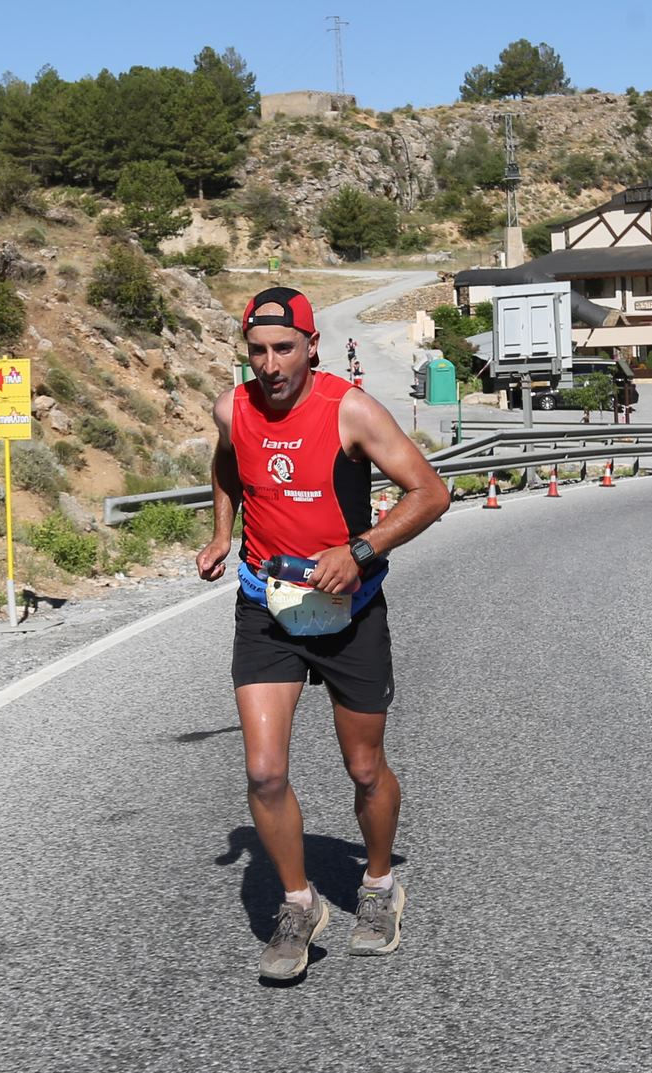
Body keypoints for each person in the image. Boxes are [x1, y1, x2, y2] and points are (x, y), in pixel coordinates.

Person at [197, 286, 450, 980]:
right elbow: (227, 462)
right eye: (257, 351)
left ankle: (376, 886)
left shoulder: (351, 409)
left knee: (364, 768)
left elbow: (430, 491)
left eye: (284, 349)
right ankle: (300, 902)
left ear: (311, 346)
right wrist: (223, 532)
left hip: (348, 611)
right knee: (263, 769)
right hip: (267, 605)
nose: (270, 364)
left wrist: (361, 550)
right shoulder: (233, 407)